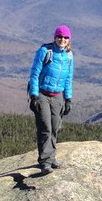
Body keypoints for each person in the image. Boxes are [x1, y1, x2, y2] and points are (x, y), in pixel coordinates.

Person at [28, 25, 74, 173]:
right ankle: (45, 161)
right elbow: (34, 74)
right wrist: (34, 96)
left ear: (69, 40)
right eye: (60, 37)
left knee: (55, 127)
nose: (62, 40)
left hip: (58, 96)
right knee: (45, 128)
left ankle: (51, 157)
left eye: (65, 37)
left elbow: (68, 79)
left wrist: (68, 99)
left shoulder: (69, 56)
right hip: (42, 94)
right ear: (55, 37)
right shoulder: (45, 51)